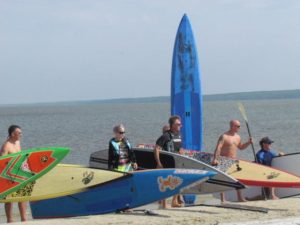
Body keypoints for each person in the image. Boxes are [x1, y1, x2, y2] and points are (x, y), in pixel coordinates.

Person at [212, 120, 252, 203]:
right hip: (224, 160)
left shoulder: (238, 137)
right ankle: (223, 199)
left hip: (233, 160)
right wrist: (215, 159)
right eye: (238, 126)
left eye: (239, 126)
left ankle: (240, 198)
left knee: (237, 179)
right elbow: (218, 147)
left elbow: (241, 147)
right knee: (223, 179)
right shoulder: (224, 136)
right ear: (232, 126)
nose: (239, 128)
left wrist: (248, 143)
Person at [154, 116, 184, 208]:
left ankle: (174, 202)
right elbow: (156, 149)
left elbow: (179, 148)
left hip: (176, 163)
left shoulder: (179, 135)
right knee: (165, 182)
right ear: (172, 125)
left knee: (178, 181)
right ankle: (164, 203)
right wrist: (158, 163)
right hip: (166, 163)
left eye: (180, 124)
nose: (180, 125)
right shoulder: (165, 136)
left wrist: (181, 152)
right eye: (178, 124)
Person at [0, 125, 27, 223]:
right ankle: (10, 221)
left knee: (23, 197)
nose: (21, 134)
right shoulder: (6, 146)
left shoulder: (18, 142)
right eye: (19, 133)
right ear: (12, 134)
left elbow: (20, 156)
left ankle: (24, 219)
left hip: (19, 173)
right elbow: (2, 161)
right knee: (9, 200)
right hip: (9, 175)